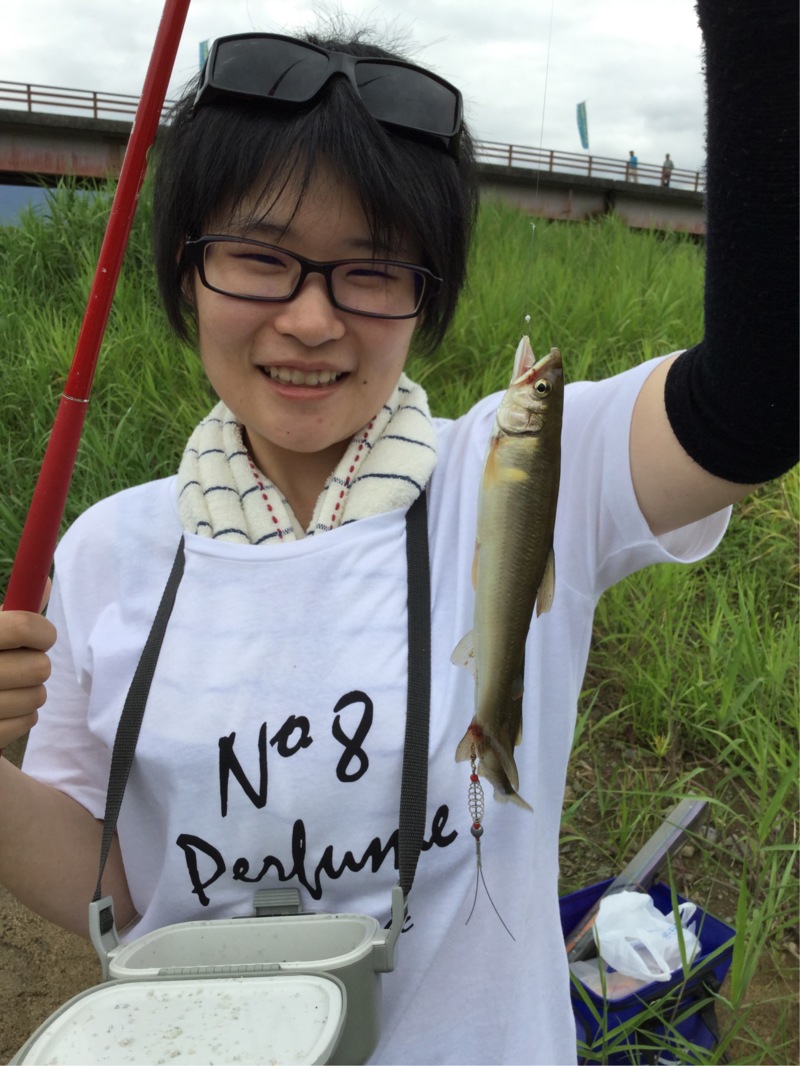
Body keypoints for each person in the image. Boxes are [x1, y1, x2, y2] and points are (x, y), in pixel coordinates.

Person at [0, 1, 796, 1062]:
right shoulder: (106, 548)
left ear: (429, 295)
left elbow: (757, 398)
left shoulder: (522, 468)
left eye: (372, 270)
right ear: (186, 268)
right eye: (259, 256)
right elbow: (111, 887)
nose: (311, 319)